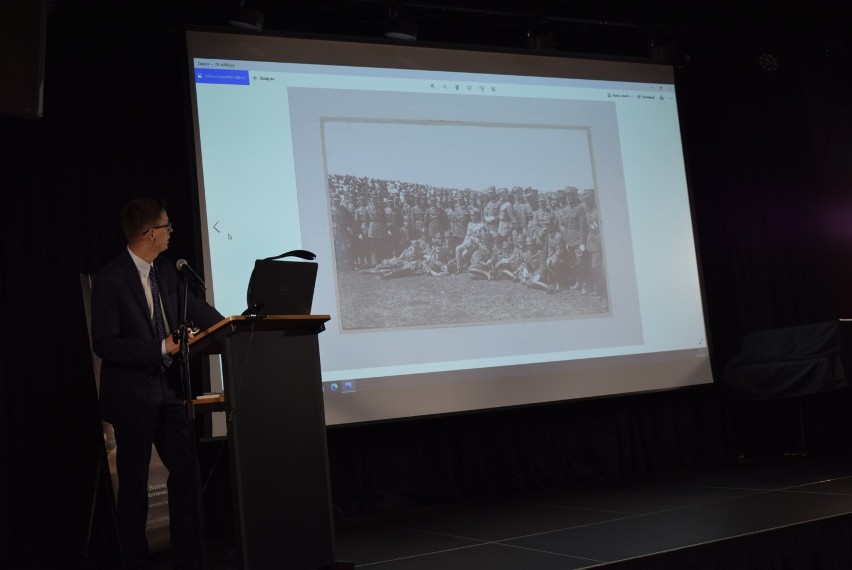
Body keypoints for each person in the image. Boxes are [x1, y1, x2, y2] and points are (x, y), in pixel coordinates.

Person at [91, 197, 225, 570]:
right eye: (167, 227)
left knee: (186, 474)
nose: (171, 233)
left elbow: (200, 313)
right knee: (133, 492)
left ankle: (187, 560)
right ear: (150, 233)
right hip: (131, 398)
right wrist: (158, 347)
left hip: (168, 392)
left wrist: (232, 326)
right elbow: (104, 343)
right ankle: (135, 563)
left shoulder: (166, 271)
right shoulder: (111, 279)